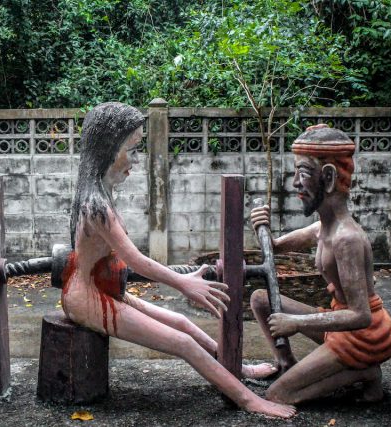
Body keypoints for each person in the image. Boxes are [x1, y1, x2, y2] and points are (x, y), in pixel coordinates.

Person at [61, 102, 296, 418]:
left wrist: (182, 282)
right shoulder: (96, 206)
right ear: (108, 148)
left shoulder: (99, 194)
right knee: (182, 343)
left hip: (103, 286)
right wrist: (183, 283)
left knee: (183, 323)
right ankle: (249, 400)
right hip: (87, 297)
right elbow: (136, 260)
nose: (136, 159)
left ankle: (239, 369)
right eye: (132, 149)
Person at [249, 124, 391, 404]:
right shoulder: (323, 227)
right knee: (260, 299)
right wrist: (261, 226)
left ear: (328, 177)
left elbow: (361, 316)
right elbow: (275, 248)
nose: (295, 183)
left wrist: (297, 322)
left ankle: (365, 372)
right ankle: (286, 363)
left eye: (303, 173)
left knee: (278, 395)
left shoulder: (346, 239)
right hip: (339, 322)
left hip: (364, 335)